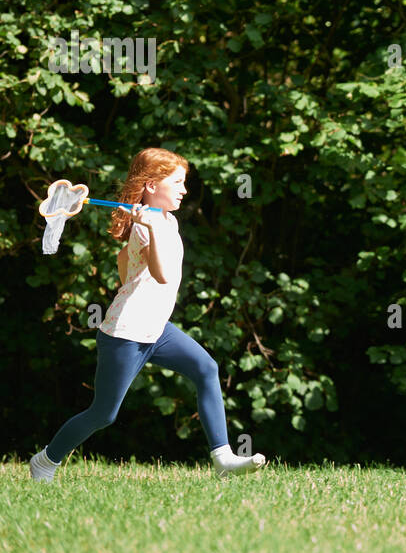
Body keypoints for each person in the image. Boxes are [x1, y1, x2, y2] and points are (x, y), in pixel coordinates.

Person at [30, 147, 267, 480]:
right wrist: (149, 232)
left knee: (206, 369)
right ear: (153, 185)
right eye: (178, 182)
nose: (184, 190)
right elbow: (161, 273)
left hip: (156, 328)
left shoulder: (164, 220)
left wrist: (147, 240)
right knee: (103, 414)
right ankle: (45, 461)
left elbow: (124, 263)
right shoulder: (147, 226)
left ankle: (223, 459)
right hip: (126, 332)